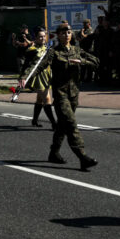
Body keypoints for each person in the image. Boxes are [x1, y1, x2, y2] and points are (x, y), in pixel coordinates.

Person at [36, 24, 99, 170]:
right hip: (61, 94)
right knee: (71, 123)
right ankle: (82, 156)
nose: (66, 35)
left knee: (62, 125)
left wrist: (81, 62)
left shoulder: (77, 50)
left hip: (74, 94)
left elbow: (96, 62)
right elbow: (39, 66)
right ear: (58, 35)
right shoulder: (53, 52)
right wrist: (24, 78)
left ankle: (54, 153)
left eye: (69, 32)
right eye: (63, 33)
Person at [19, 29, 56, 128]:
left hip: (47, 75)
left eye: (44, 36)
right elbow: (26, 65)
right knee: (47, 99)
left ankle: (34, 120)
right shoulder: (32, 50)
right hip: (37, 76)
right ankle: (54, 124)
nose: (43, 38)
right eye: (40, 36)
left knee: (40, 99)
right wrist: (22, 77)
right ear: (35, 38)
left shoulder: (48, 48)